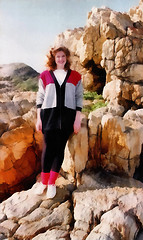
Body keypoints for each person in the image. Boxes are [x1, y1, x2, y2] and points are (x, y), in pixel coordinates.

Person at [35, 46, 83, 198]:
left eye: (63, 56)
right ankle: (43, 182)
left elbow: (79, 98)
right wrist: (38, 119)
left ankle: (51, 184)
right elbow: (40, 98)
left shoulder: (75, 76)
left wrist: (77, 119)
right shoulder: (45, 75)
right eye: (58, 56)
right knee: (48, 149)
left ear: (67, 58)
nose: (60, 59)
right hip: (48, 115)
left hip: (67, 117)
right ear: (54, 59)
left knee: (59, 150)